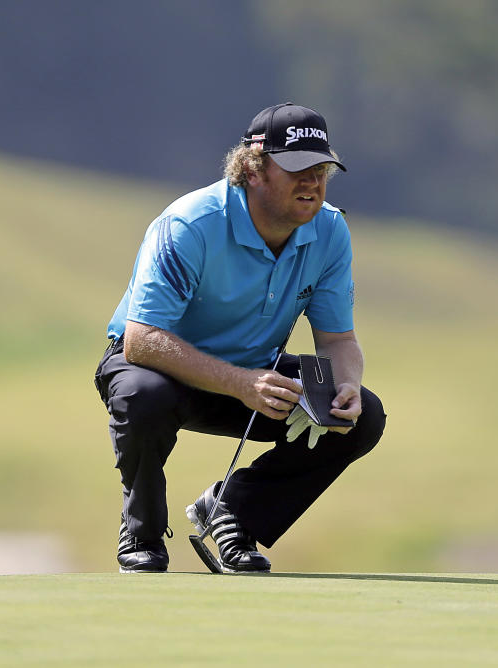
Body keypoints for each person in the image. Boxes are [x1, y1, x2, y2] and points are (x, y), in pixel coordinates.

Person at [93, 102, 386, 573]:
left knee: (361, 417)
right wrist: (239, 383)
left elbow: (337, 340)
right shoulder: (190, 223)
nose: (312, 181)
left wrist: (346, 383)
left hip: (253, 375)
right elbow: (142, 340)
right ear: (253, 170)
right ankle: (142, 533)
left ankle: (233, 514)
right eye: (296, 169)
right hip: (158, 365)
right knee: (142, 395)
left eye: (322, 168)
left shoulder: (329, 229)